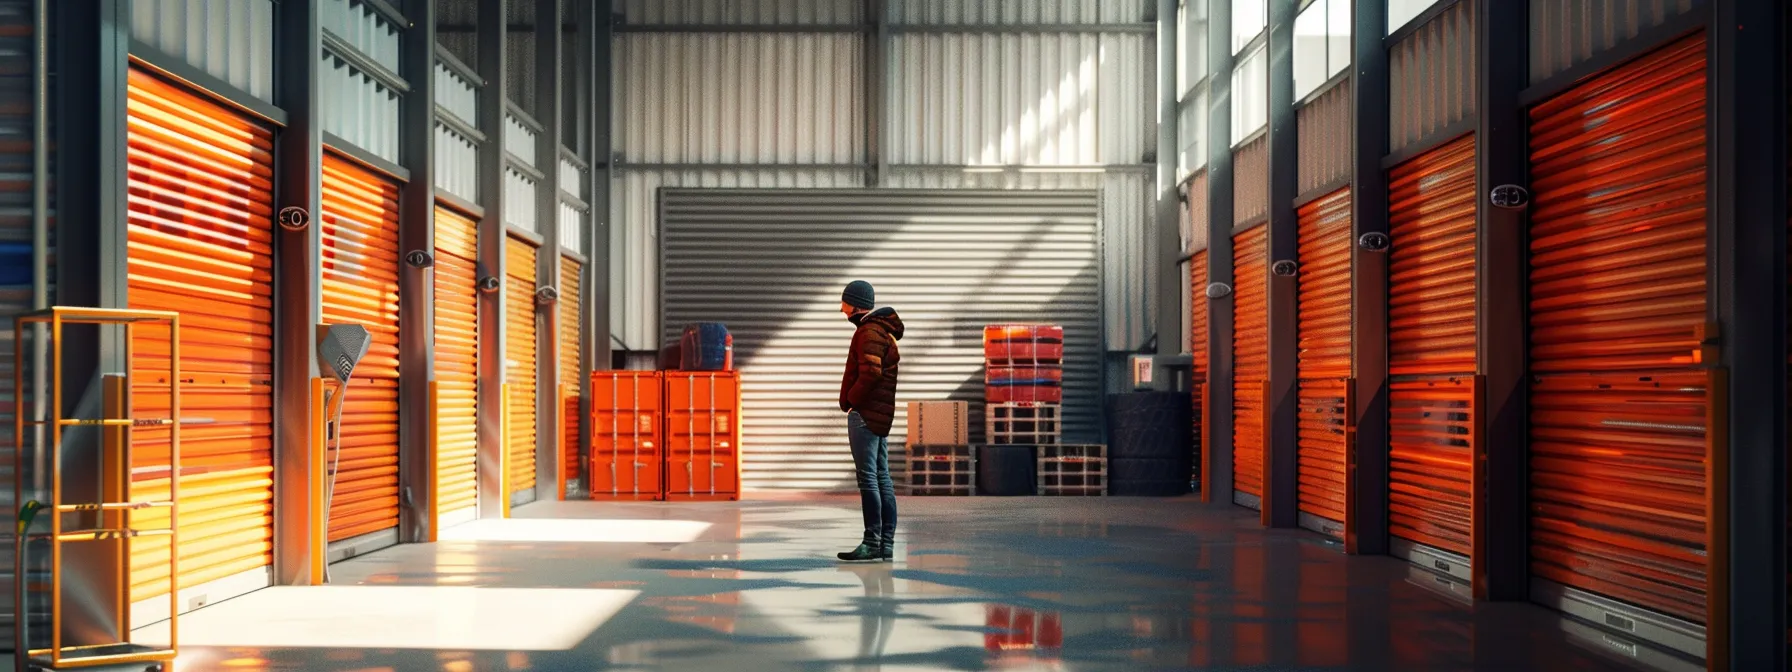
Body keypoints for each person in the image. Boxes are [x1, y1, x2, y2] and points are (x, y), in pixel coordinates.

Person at [836, 279, 902, 563]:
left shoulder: (868, 332)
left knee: (869, 480)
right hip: (878, 414)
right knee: (881, 478)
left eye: (844, 302)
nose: (841, 309)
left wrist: (851, 400)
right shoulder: (882, 332)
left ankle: (871, 541)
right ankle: (885, 544)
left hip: (866, 415)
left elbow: (872, 373)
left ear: (855, 303)